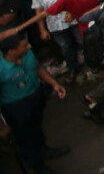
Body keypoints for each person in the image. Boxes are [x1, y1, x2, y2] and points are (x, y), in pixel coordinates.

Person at [0, 33, 69, 174]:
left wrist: (54, 83)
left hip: (35, 94)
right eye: (24, 46)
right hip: (16, 106)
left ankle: (43, 150)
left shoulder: (27, 54)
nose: (29, 46)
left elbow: (38, 68)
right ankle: (37, 165)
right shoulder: (1, 68)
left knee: (36, 127)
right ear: (11, 51)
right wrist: (1, 127)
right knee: (25, 137)